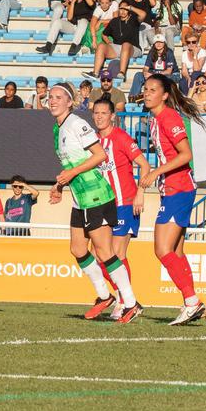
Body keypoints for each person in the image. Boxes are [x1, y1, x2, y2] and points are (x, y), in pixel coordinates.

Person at [47, 83, 141, 322]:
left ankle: (130, 303)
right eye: (50, 97)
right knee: (78, 249)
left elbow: (101, 155)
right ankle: (103, 296)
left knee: (105, 252)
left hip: (96, 195)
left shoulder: (77, 124)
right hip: (80, 198)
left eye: (59, 97)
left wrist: (70, 175)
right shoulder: (57, 129)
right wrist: (60, 185)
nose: (53, 100)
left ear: (70, 102)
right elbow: (71, 165)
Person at [139, 74, 206, 325]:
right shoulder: (155, 119)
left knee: (162, 249)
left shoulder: (168, 117)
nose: (146, 93)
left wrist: (156, 172)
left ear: (165, 95)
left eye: (152, 89)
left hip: (179, 188)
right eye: (145, 89)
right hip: (172, 188)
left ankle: (191, 301)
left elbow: (185, 154)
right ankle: (191, 302)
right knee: (176, 251)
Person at [92, 97, 150, 320]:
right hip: (104, 205)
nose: (99, 117)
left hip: (125, 203)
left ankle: (126, 302)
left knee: (116, 254)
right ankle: (125, 298)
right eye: (96, 113)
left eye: (103, 113)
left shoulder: (121, 138)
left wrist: (140, 192)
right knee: (99, 256)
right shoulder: (94, 142)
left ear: (112, 116)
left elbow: (145, 165)